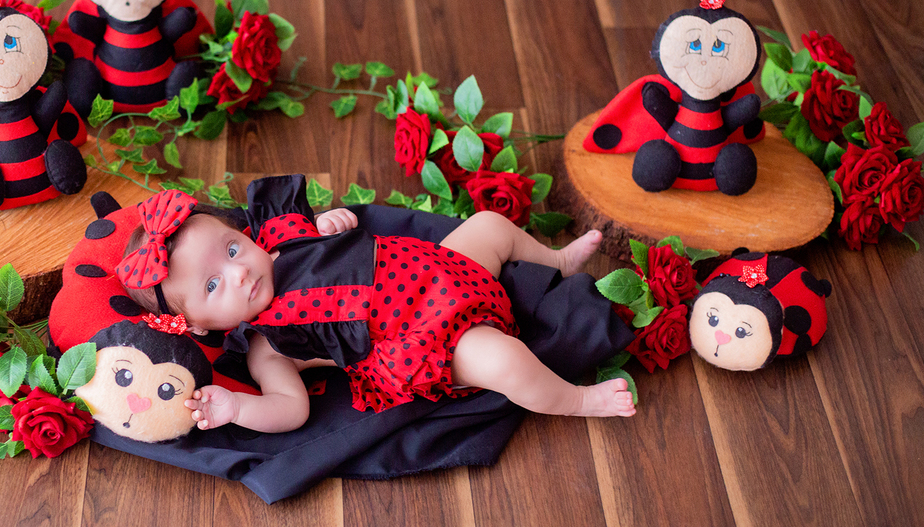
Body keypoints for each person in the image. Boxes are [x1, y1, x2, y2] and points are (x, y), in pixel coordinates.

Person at [117, 175, 635, 434]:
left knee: (488, 226)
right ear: (201, 327)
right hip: (428, 338)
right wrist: (237, 408)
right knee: (504, 361)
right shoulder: (267, 346)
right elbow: (292, 410)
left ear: (241, 233)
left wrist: (333, 224)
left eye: (232, 249)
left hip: (442, 268)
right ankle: (578, 400)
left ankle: (555, 260)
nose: (239, 272)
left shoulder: (280, 237)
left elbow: (336, 235)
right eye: (212, 286)